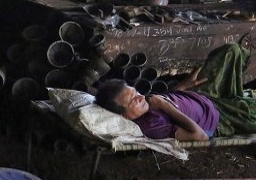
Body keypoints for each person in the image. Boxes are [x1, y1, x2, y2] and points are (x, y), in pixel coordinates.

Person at [95, 41, 256, 141]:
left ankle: (235, 95)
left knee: (231, 51)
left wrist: (184, 85)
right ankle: (236, 99)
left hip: (200, 93)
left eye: (135, 92)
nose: (140, 97)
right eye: (132, 101)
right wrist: (165, 106)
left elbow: (166, 98)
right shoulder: (151, 126)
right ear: (125, 116)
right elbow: (200, 137)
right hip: (220, 119)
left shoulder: (143, 105)